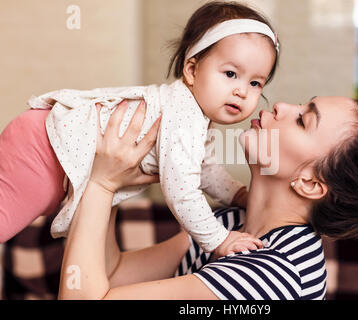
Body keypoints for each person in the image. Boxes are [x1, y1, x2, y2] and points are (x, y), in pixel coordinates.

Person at [58, 95, 358, 300]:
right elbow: (113, 276)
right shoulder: (229, 226)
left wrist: (100, 184)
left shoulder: (276, 274)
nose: (282, 106)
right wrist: (115, 176)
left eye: (302, 120)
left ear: (310, 183)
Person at [0, 1, 280, 257]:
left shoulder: (193, 115)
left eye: (256, 83)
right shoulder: (184, 114)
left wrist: (237, 195)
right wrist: (218, 240)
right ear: (192, 70)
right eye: (230, 74)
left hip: (48, 141)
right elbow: (181, 191)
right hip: (45, 147)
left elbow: (205, 170)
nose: (242, 91)